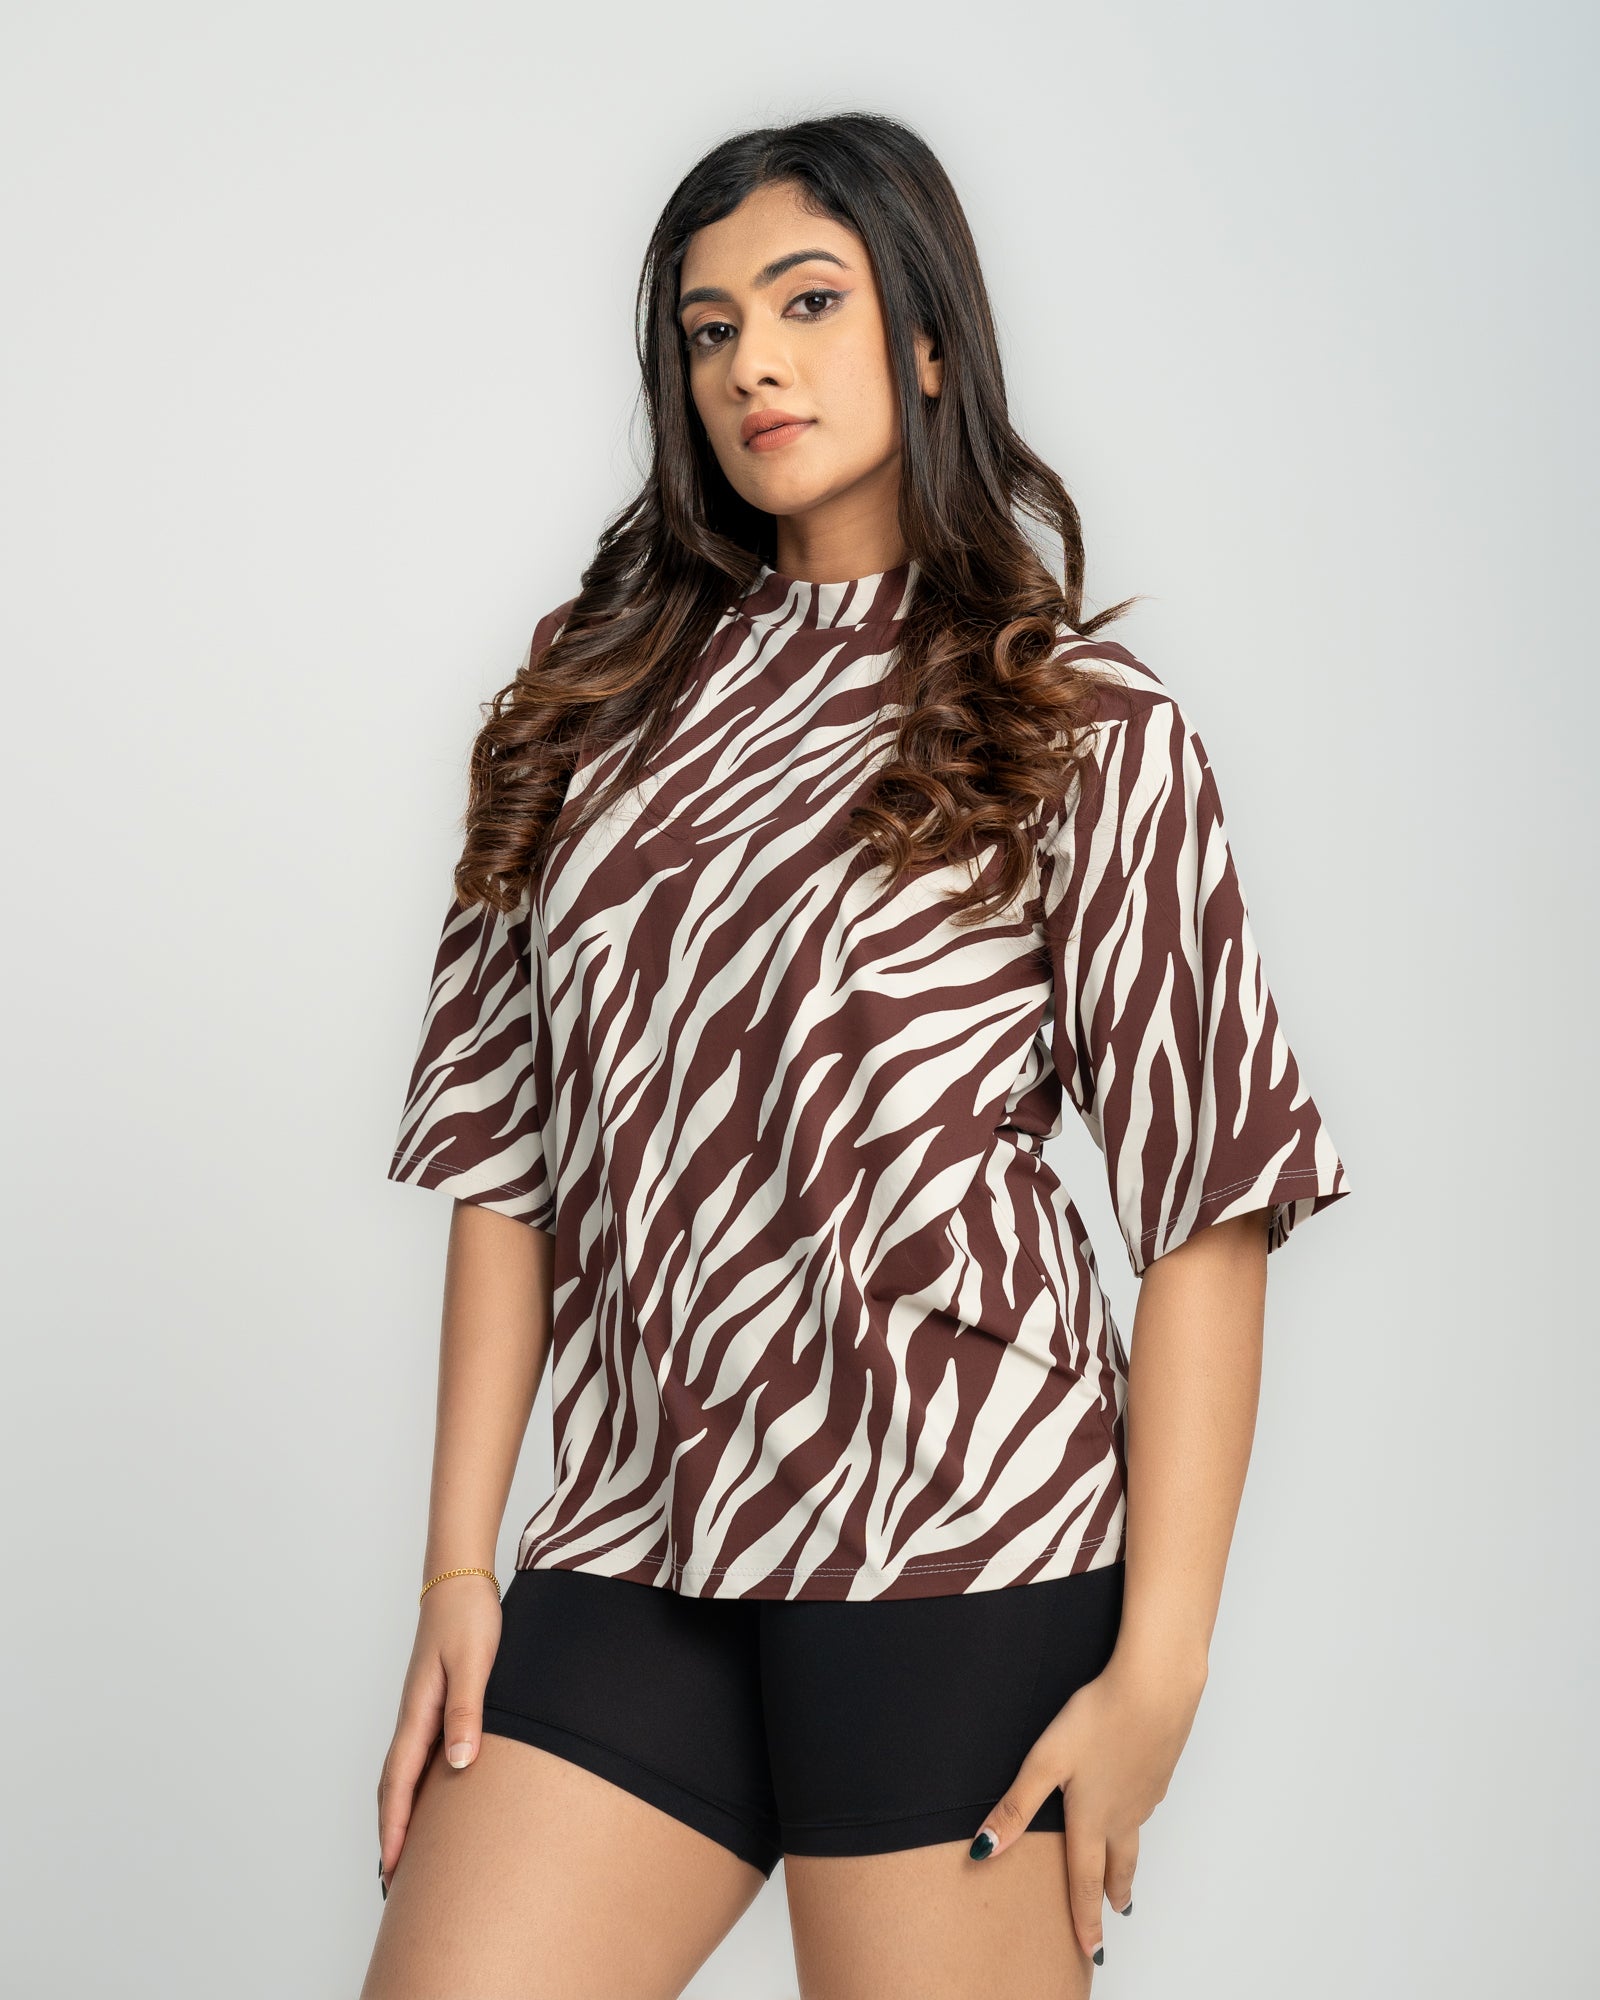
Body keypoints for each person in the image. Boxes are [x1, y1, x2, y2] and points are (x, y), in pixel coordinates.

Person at [360, 110, 1351, 2000]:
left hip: (959, 1540)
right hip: (642, 1530)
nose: (753, 361)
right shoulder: (591, 694)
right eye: (709, 328)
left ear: (929, 338)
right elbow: (503, 1152)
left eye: (807, 301)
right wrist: (460, 1571)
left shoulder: (1077, 719)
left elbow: (1210, 1199)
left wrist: (1160, 1669)